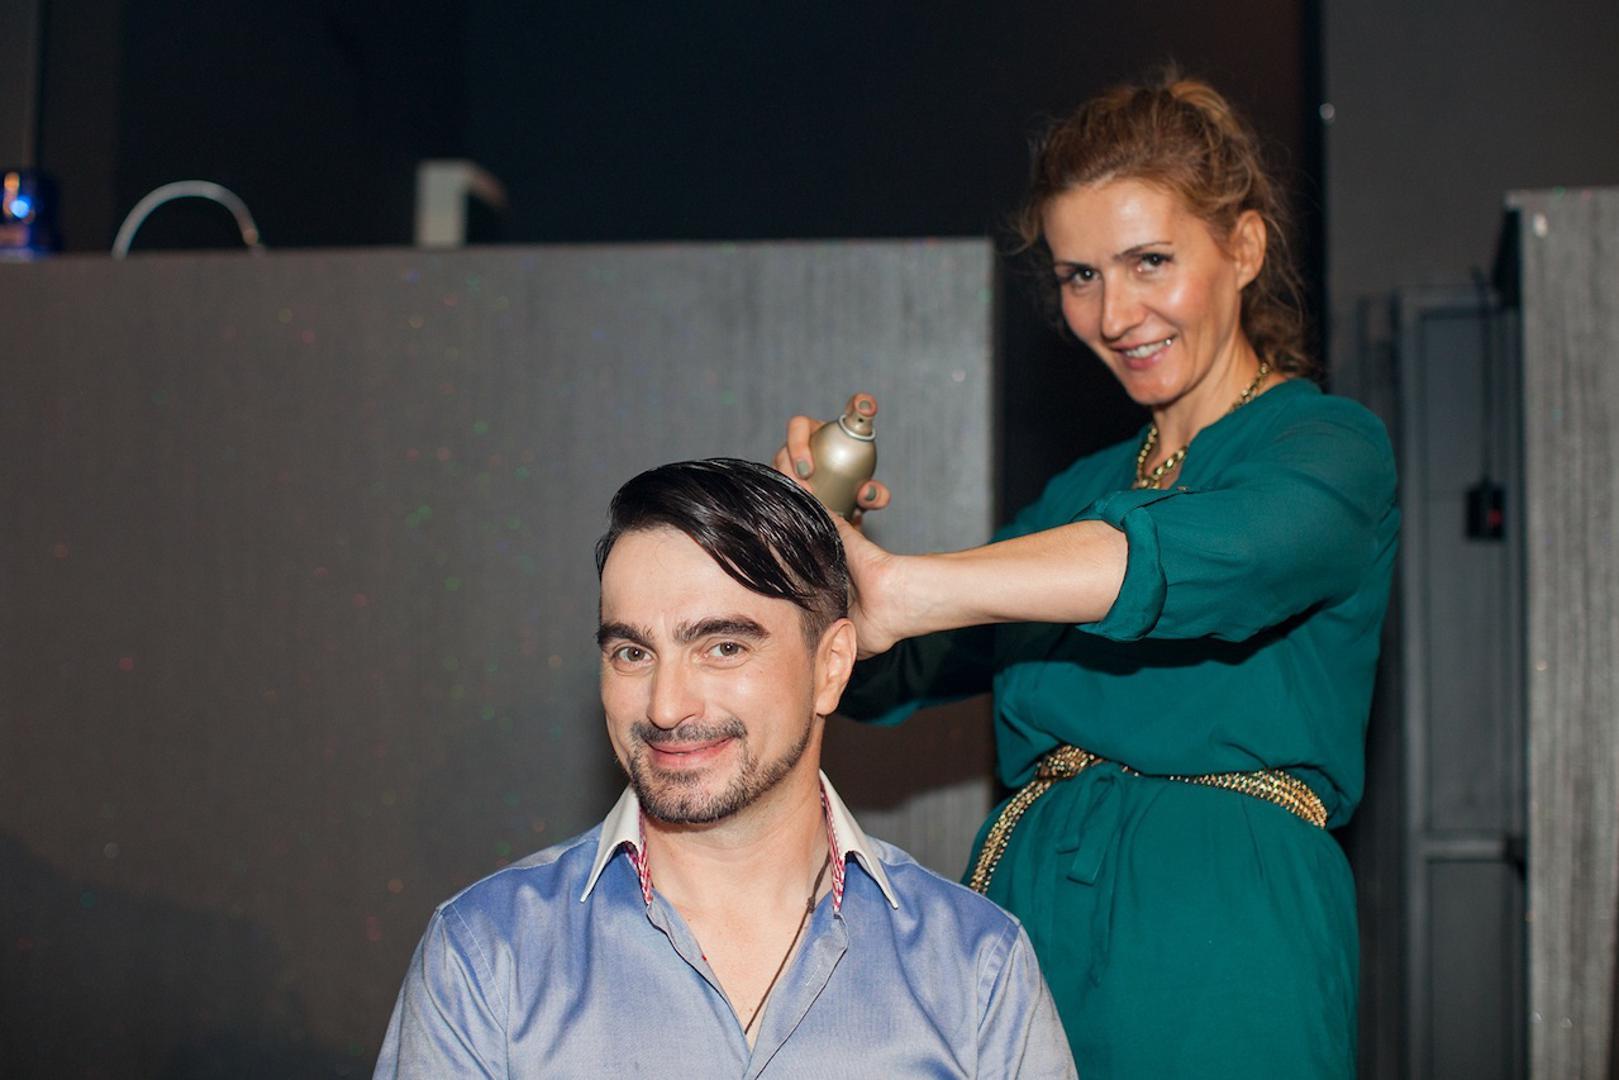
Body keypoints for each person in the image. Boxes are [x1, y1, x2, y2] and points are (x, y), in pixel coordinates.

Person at [777, 73, 1398, 1078]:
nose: (1113, 314)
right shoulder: (1077, 494)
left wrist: (910, 587)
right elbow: (892, 670)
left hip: (1220, 923)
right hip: (1031, 914)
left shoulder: (1327, 446)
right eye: (1079, 276)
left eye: (1149, 261)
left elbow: (1211, 556)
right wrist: (826, 552)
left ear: (1242, 246)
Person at [374, 458, 1077, 1079]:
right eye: (632, 653)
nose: (666, 705)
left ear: (832, 667)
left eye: (723, 648)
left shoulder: (975, 967)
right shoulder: (487, 954)